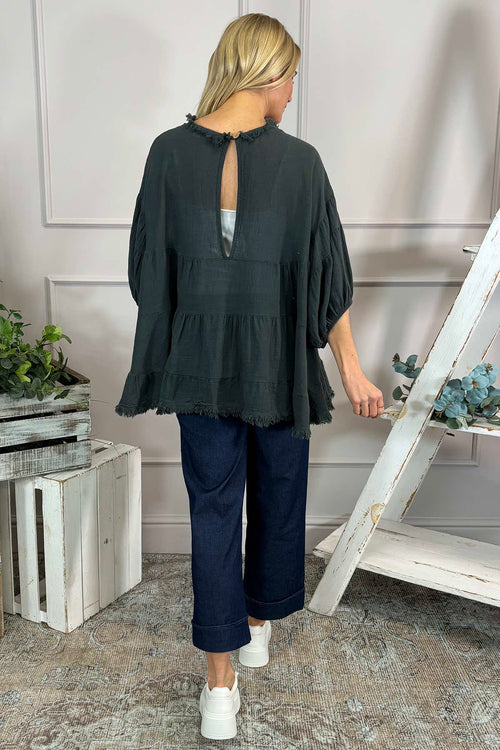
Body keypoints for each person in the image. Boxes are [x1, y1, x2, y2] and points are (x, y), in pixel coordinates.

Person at [115, 12, 384, 741]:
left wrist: (197, 322)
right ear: (269, 74)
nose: (292, 93)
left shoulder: (166, 153)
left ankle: (219, 685)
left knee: (212, 509)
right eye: (291, 78)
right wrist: (351, 369)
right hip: (279, 365)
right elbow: (327, 281)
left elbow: (146, 272)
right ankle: (256, 626)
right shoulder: (302, 163)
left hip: (198, 364)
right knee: (278, 494)